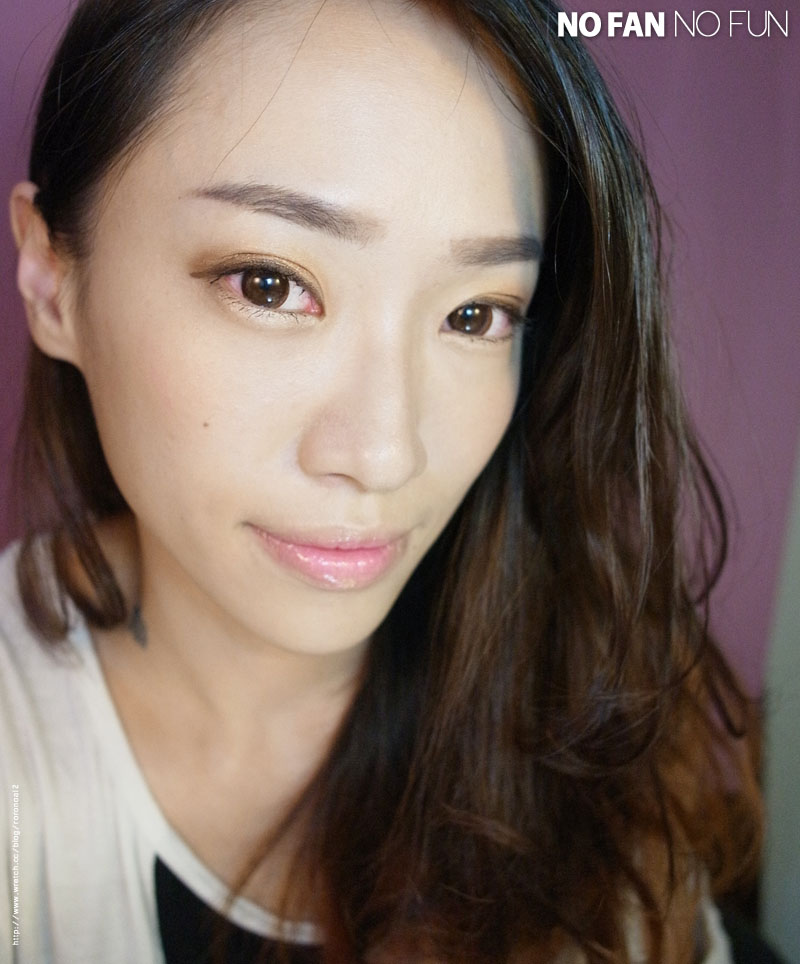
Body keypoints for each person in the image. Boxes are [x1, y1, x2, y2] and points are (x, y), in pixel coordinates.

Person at [0, 0, 761, 961]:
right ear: (52, 281)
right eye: (270, 283)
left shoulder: (594, 705)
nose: (384, 454)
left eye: (476, 314)